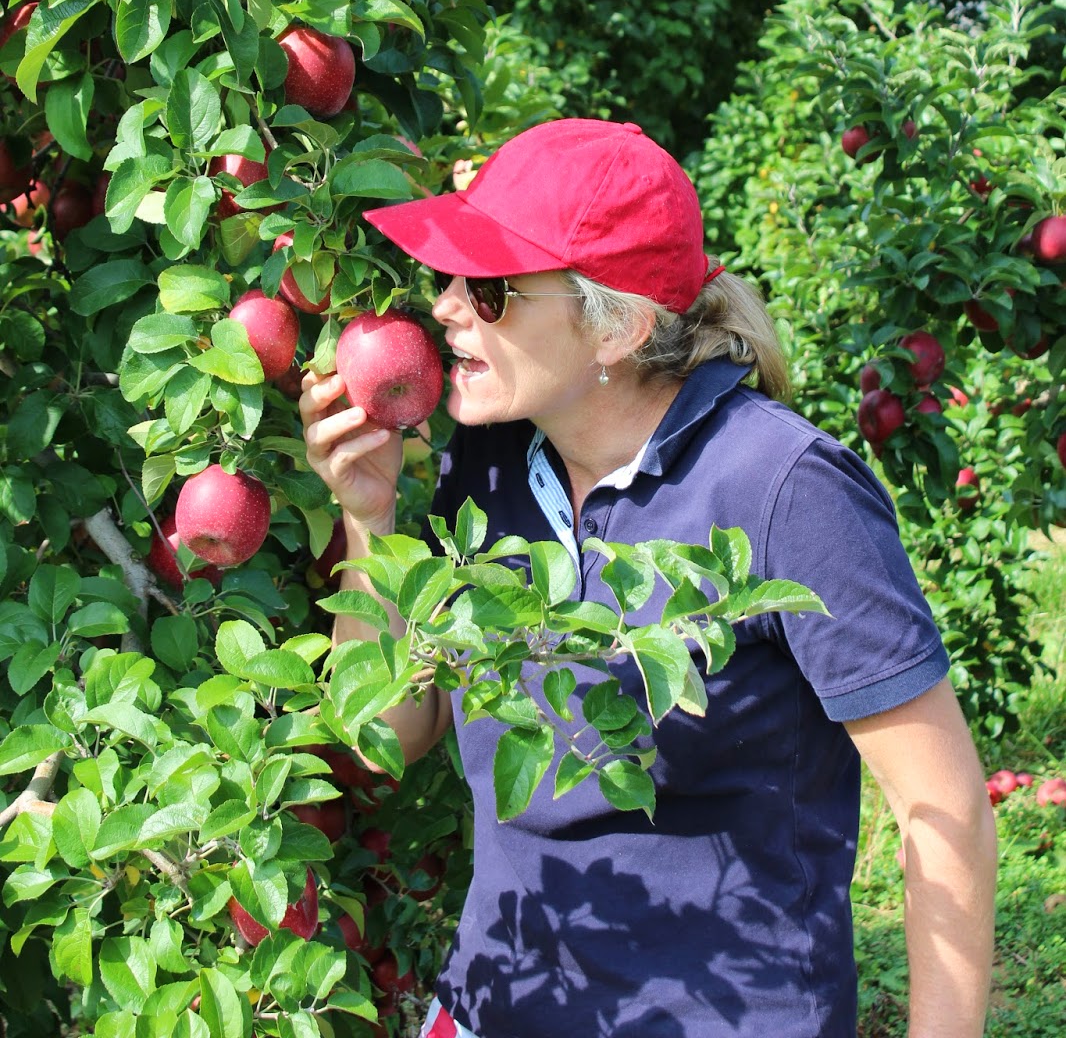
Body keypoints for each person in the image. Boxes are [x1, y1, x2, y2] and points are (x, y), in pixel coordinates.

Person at [301, 117, 996, 1038]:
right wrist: (370, 518)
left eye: (495, 291)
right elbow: (395, 736)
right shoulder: (493, 465)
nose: (448, 307)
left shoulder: (782, 490)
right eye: (452, 277)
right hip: (496, 1003)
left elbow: (941, 808)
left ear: (616, 327)